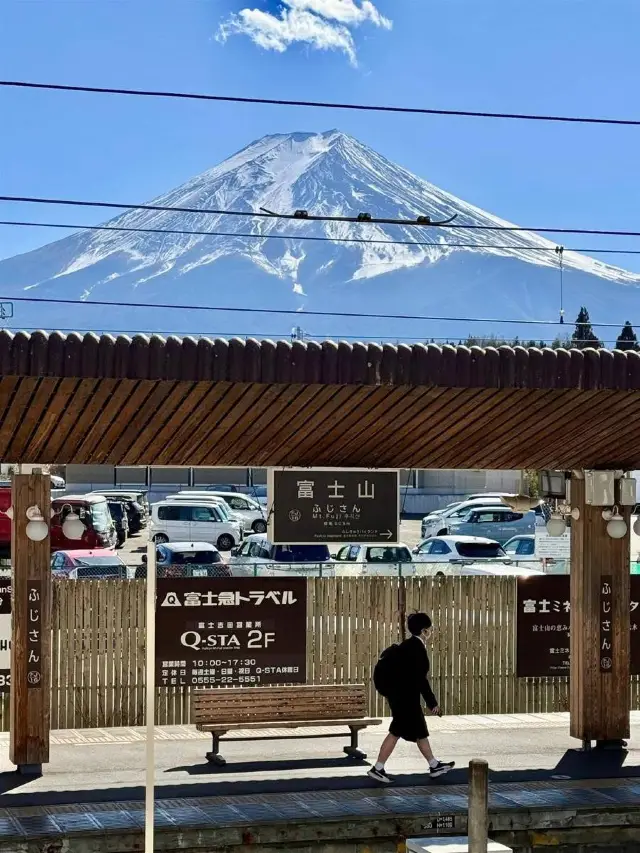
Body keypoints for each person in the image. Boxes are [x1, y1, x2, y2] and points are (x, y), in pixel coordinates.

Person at [368, 612, 455, 784]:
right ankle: (377, 768)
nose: (432, 631)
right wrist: (433, 703)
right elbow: (420, 680)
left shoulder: (408, 646)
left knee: (419, 731)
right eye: (430, 628)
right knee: (396, 732)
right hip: (405, 699)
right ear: (424, 631)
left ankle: (433, 764)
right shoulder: (417, 649)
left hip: (401, 697)